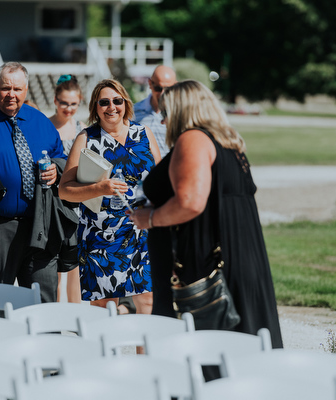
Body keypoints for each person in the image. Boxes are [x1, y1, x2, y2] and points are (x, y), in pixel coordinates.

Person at [130, 80, 283, 348]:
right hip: (239, 256)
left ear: (181, 111)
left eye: (166, 113)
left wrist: (150, 219)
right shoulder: (230, 143)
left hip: (203, 264)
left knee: (203, 351)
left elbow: (190, 202)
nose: (164, 122)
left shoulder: (193, 139)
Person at [0, 62, 67, 303]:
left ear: (26, 89)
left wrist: (56, 169)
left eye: (18, 89)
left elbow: (62, 156)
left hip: (40, 224)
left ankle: (46, 339)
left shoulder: (40, 121)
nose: (11, 94)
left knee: (43, 298)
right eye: (5, 88)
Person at [59, 79, 161, 313]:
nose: (111, 107)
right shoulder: (87, 138)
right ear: (95, 107)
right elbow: (65, 190)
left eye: (117, 101)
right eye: (104, 102)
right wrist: (99, 189)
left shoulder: (143, 133)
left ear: (126, 103)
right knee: (105, 306)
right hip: (101, 236)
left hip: (142, 231)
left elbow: (161, 177)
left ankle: (147, 351)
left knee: (148, 299)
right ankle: (106, 350)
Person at [48, 74, 87, 304]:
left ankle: (76, 312)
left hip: (77, 199)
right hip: (52, 199)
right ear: (55, 100)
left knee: (75, 260)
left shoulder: (83, 129)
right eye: (64, 103)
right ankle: (55, 310)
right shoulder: (46, 126)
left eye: (73, 104)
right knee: (53, 257)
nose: (68, 108)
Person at [133, 65, 177, 157]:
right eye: (158, 88)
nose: (162, 93)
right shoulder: (133, 111)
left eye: (168, 89)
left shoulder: (180, 114)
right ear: (150, 84)